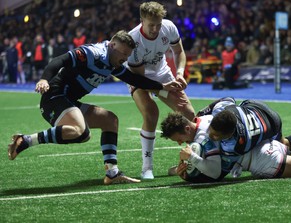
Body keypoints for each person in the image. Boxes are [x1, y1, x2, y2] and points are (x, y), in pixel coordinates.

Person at [8, 30, 181, 185]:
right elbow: (59, 60)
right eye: (124, 54)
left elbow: (134, 80)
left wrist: (163, 86)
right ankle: (25, 141)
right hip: (54, 97)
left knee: (110, 120)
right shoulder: (93, 53)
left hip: (69, 101)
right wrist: (44, 79)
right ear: (112, 45)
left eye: (128, 55)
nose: (125, 59)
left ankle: (112, 173)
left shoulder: (113, 62)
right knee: (81, 132)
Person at [161, 97, 291, 177]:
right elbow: (227, 99)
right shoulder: (213, 115)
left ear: (186, 128)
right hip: (257, 109)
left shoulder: (222, 144)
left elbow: (217, 172)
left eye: (178, 138)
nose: (179, 143)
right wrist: (204, 110)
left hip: (266, 130)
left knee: (290, 150)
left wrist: (190, 164)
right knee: (286, 147)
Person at [125, 1, 195, 180]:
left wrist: (179, 74)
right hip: (138, 77)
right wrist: (162, 90)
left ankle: (194, 159)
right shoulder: (133, 41)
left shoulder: (169, 27)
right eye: (151, 25)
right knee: (151, 112)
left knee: (188, 112)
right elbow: (142, 80)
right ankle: (146, 167)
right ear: (142, 20)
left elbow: (179, 52)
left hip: (162, 73)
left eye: (158, 25)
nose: (155, 29)